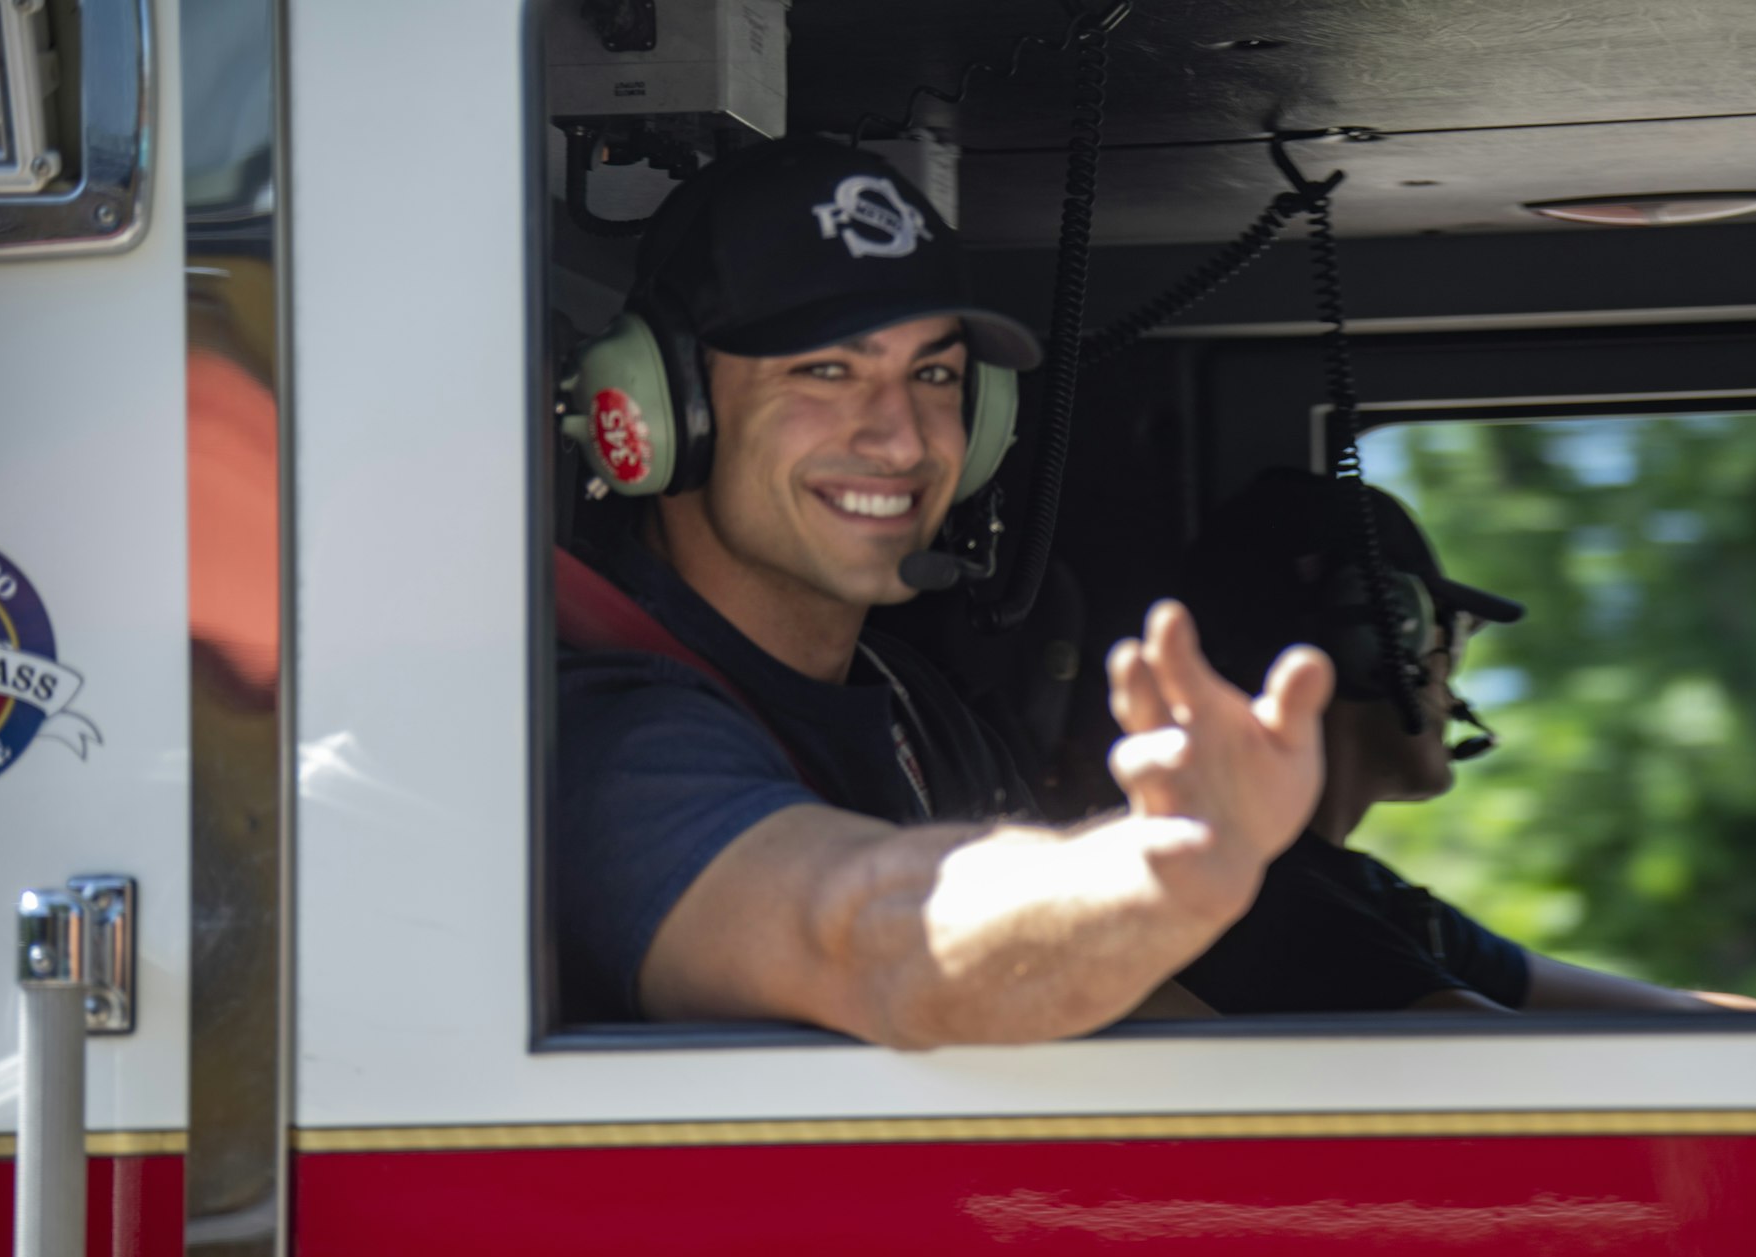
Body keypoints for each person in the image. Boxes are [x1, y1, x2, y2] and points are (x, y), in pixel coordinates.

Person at [554, 138, 1333, 1047]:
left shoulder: (916, 711)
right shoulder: (609, 739)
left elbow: (1088, 997)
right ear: (660, 408)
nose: (901, 440)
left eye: (933, 375)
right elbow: (867, 938)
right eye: (827, 371)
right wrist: (1159, 870)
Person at [1176, 468, 1756, 1013]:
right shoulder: (1262, 901)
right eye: (1453, 640)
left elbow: (1672, 1012)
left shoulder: (1364, 894)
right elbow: (1501, 1066)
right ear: (1381, 636)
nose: (1454, 686)